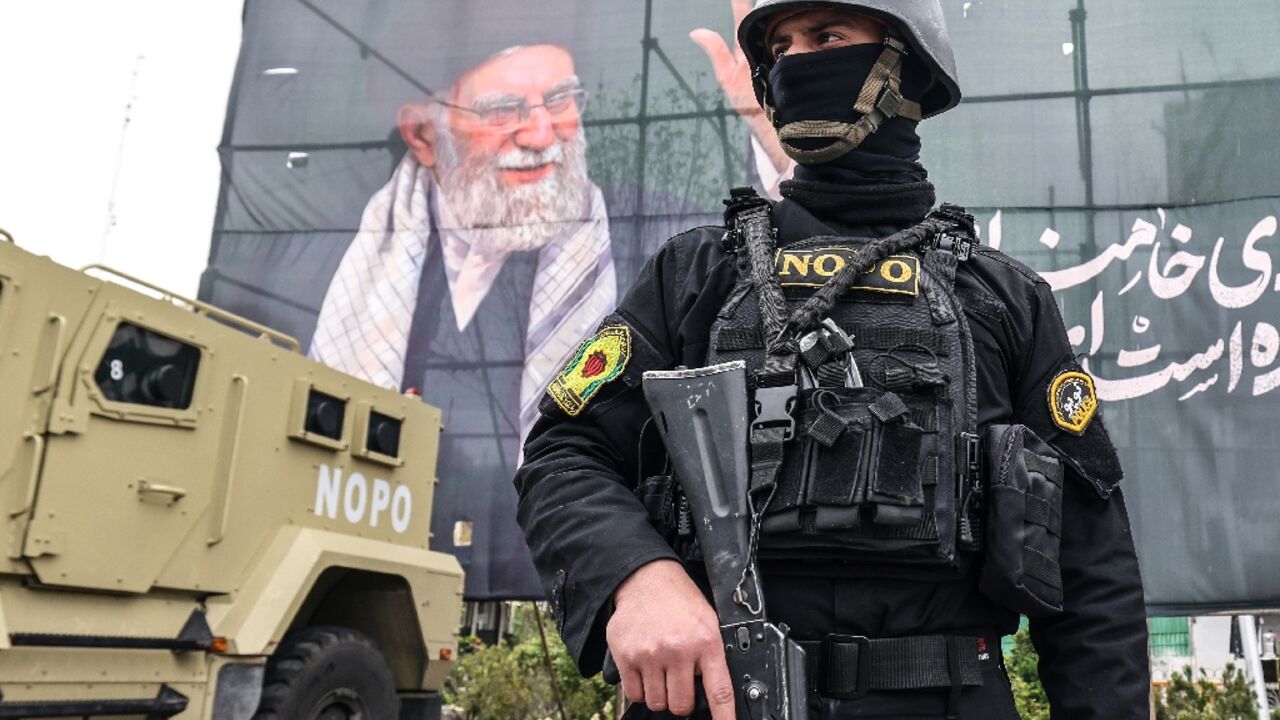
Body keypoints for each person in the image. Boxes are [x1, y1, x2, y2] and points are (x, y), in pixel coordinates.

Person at [515, 1, 1150, 718]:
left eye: (826, 37)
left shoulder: (1002, 298)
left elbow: (1093, 578)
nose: (794, 64)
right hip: (721, 698)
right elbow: (563, 450)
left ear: (905, 62)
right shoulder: (696, 274)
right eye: (780, 48)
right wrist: (637, 575)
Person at [309, 43, 615, 598]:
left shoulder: (648, 233)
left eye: (560, 100)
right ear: (423, 137)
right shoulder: (323, 265)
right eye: (502, 111)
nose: (541, 134)